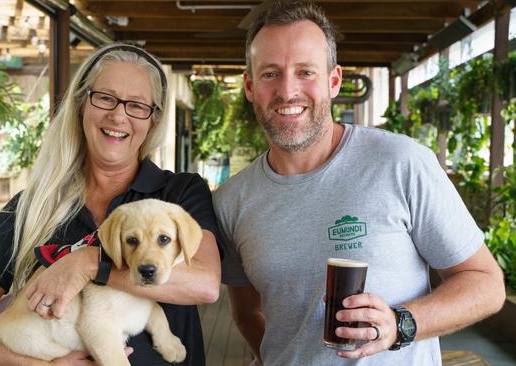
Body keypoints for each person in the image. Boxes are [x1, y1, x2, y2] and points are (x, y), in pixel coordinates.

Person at [213, 1, 506, 365]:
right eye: (270, 73)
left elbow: (486, 283)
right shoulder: (231, 200)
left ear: (334, 81)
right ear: (249, 86)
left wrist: (401, 324)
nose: (288, 90)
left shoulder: (401, 162)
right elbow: (247, 313)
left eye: (305, 72)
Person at [0, 44, 221, 366]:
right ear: (81, 105)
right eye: (105, 98)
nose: (118, 115)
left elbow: (205, 285)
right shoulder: (34, 205)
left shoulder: (178, 193)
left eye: (137, 105)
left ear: (152, 121)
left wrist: (87, 263)